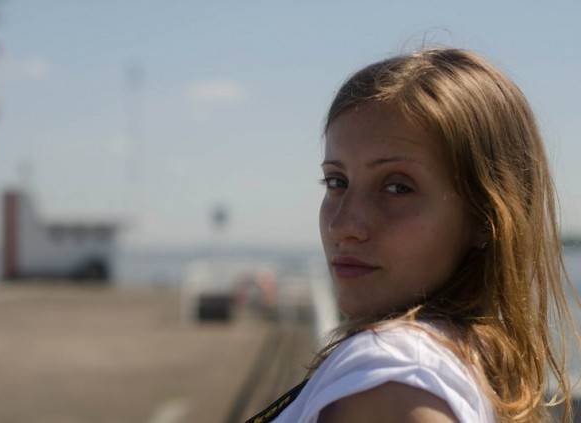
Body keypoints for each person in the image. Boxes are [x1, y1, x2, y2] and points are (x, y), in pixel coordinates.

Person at [246, 47, 581, 423]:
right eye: (336, 181)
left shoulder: (391, 378)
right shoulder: (455, 356)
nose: (343, 225)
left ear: (485, 218)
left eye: (397, 188)